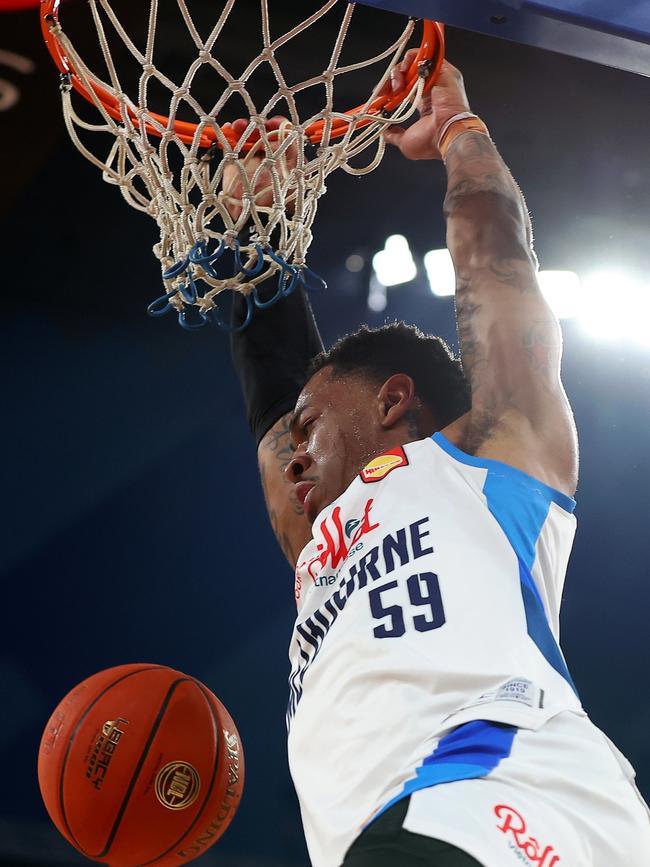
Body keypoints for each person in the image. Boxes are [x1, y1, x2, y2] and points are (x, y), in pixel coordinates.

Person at [229, 57, 650, 867]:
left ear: (392, 401)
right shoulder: (319, 547)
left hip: (489, 794)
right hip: (447, 822)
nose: (292, 453)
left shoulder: (488, 459)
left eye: (310, 426)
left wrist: (460, 133)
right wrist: (256, 237)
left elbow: (497, 268)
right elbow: (272, 400)